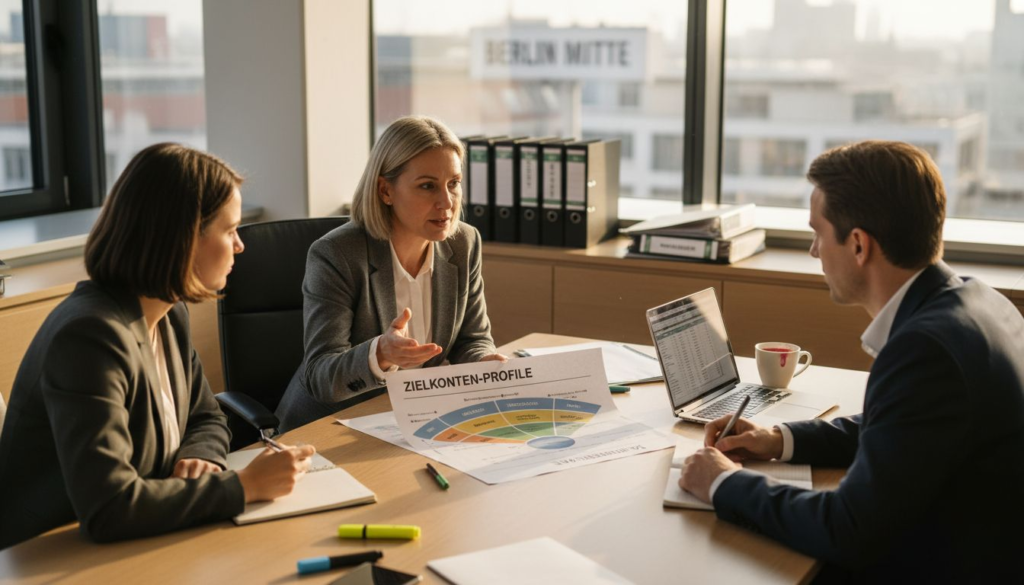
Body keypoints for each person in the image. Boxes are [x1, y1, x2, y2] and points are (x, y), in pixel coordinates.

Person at [678, 141, 1024, 582]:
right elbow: (901, 428)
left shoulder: (924, 349)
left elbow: (849, 529)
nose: (813, 251)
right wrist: (777, 439)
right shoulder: (978, 300)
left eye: (818, 234)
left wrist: (722, 483)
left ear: (858, 245)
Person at [0, 143, 315, 550]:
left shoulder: (168, 312)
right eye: (230, 230)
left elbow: (206, 417)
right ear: (183, 238)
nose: (240, 246)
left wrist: (201, 457)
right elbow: (108, 507)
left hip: (141, 537)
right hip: (50, 556)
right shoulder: (90, 337)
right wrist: (243, 486)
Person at [275, 116, 504, 432]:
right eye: (427, 186)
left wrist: (483, 363)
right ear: (385, 190)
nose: (447, 202)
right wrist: (378, 355)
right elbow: (320, 375)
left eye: (454, 183)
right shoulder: (337, 255)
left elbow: (472, 338)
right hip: (332, 427)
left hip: (415, 419)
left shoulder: (463, 243)